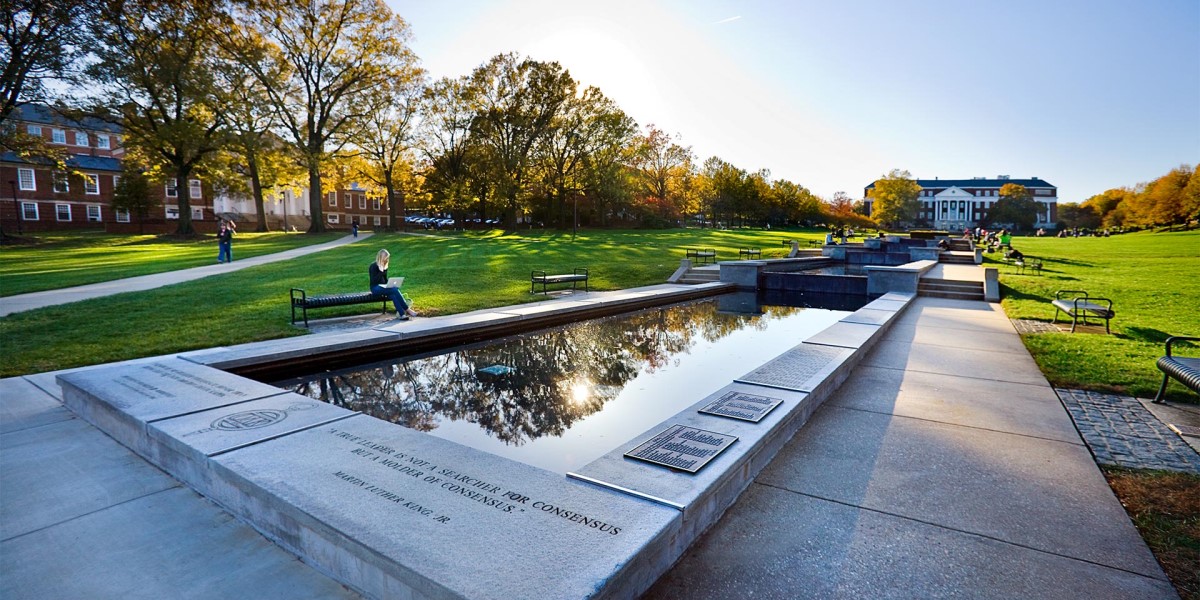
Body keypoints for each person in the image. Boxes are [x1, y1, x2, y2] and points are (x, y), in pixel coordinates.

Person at [369, 249, 418, 320]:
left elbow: (384, 279)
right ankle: (408, 309)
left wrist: (390, 284)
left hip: (383, 288)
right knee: (395, 290)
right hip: (375, 288)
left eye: (387, 258)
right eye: (385, 258)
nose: (386, 260)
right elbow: (374, 280)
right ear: (381, 257)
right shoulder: (373, 266)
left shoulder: (384, 266)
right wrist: (381, 271)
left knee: (393, 294)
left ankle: (402, 315)